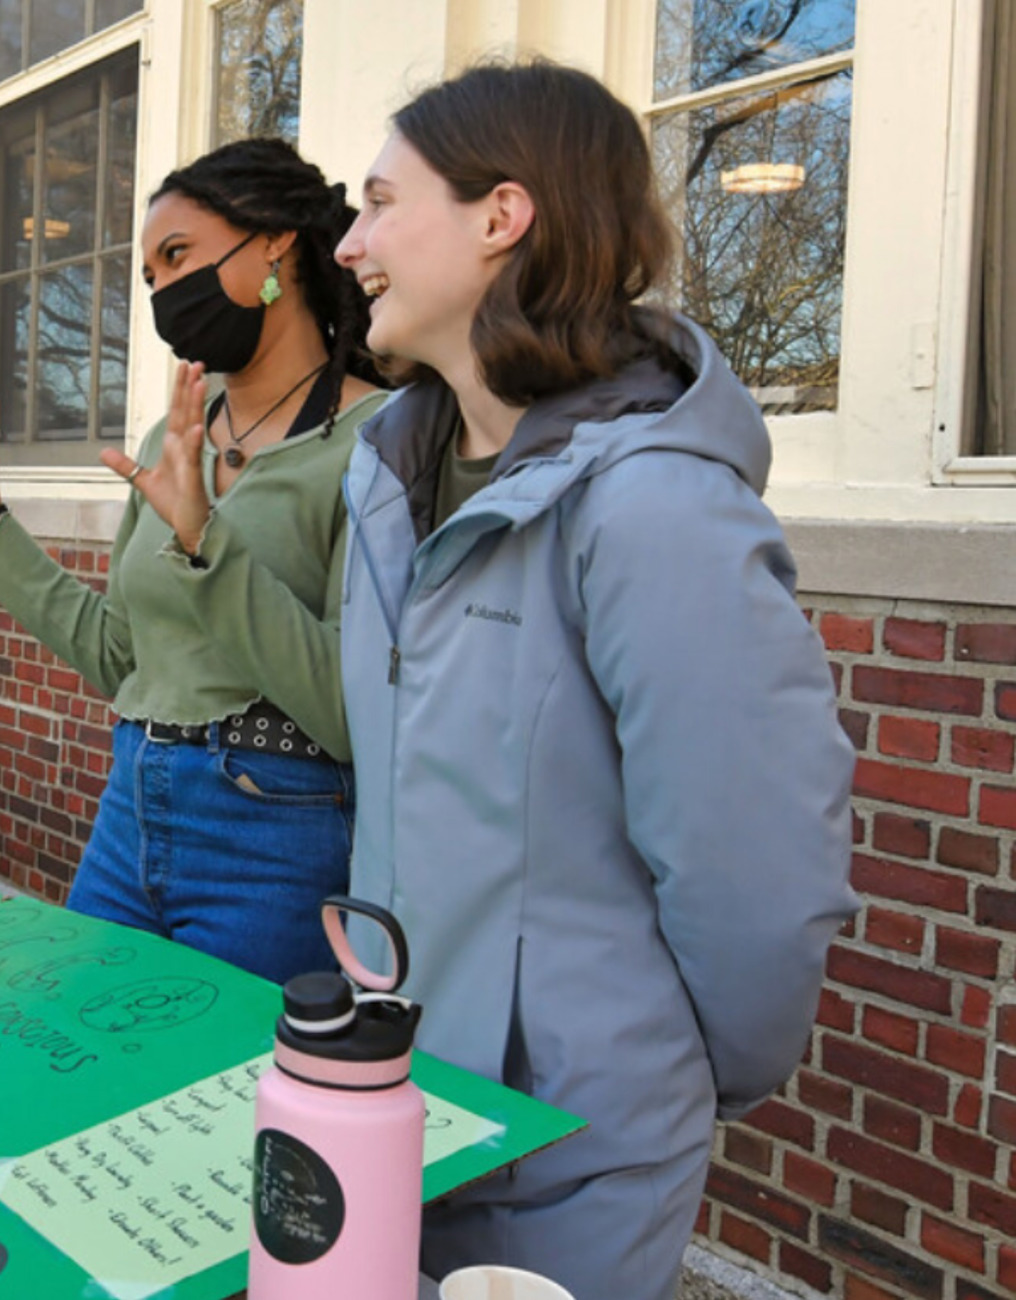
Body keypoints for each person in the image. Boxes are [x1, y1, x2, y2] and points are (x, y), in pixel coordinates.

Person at [330, 62, 855, 1299]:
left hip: (570, 1153)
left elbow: (757, 875)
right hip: (394, 1102)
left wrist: (645, 1073)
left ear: (499, 217)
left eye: (378, 203)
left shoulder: (654, 504)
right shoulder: (383, 477)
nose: (347, 245)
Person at [0, 138, 385, 984]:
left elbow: (348, 711)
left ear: (274, 243)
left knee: (227, 1104)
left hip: (277, 828)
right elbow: (122, 657)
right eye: (149, 277)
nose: (162, 294)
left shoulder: (379, 441)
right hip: (131, 811)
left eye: (177, 256)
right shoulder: (172, 439)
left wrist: (205, 540)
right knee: (85, 1073)